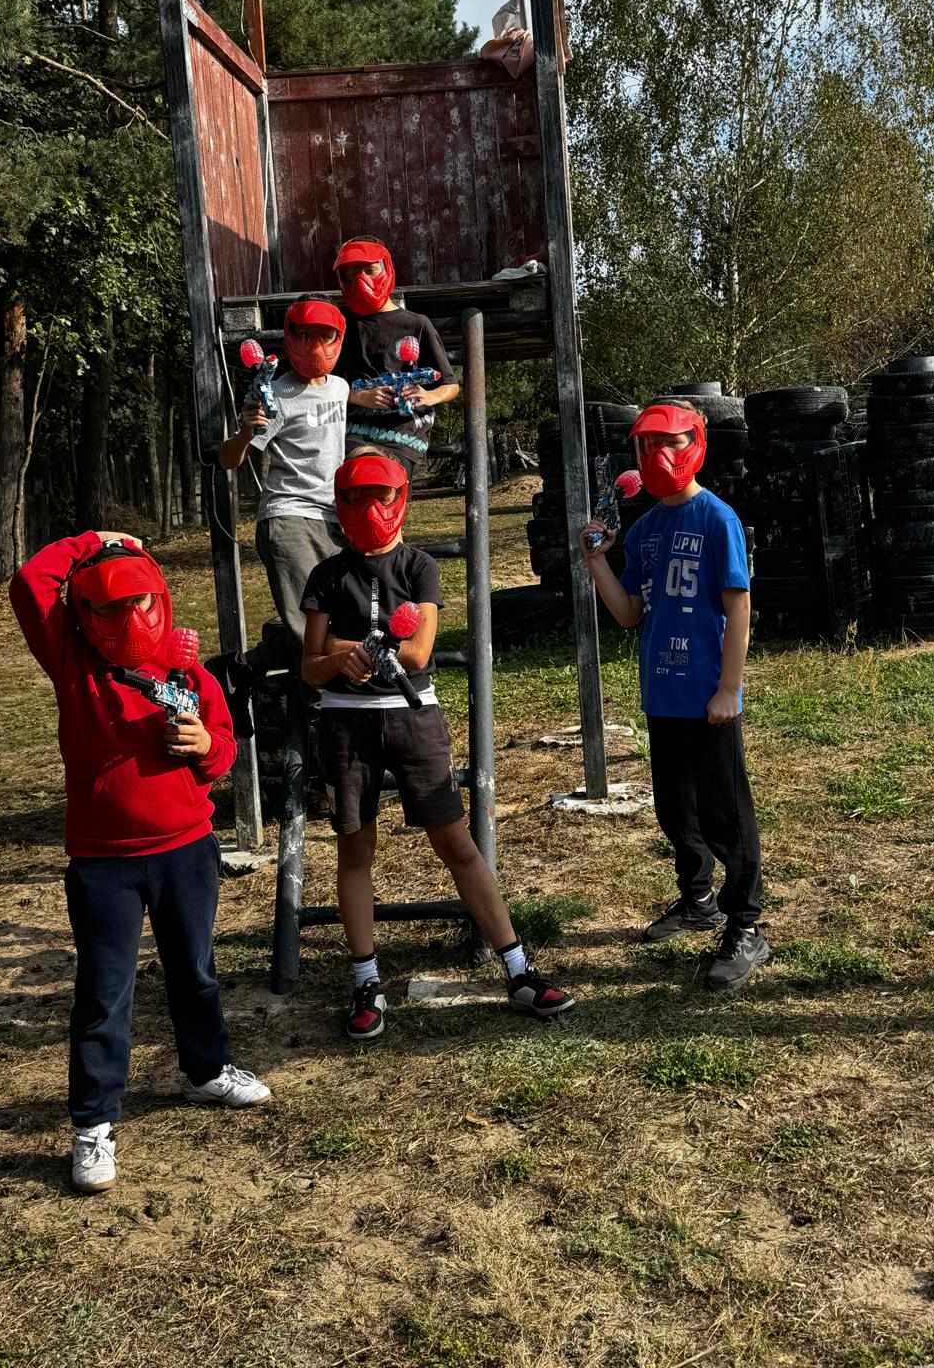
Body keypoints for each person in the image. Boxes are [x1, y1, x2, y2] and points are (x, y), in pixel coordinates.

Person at [9, 532, 270, 1195]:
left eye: (140, 603)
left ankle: (206, 1071)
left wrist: (205, 745)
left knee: (195, 971)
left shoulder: (189, 675)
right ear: (83, 614)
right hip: (104, 864)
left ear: (160, 599)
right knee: (104, 993)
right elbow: (30, 583)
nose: (128, 620)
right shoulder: (73, 663)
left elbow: (223, 753)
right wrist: (96, 541)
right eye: (108, 608)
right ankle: (93, 1121)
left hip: (187, 849)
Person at [300, 448, 574, 1039]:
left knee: (456, 843)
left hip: (412, 718)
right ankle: (366, 981)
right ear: (341, 504)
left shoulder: (419, 565)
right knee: (355, 850)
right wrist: (341, 659)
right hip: (345, 723)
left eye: (380, 496)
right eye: (357, 498)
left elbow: (419, 653)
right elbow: (310, 666)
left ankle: (517, 969)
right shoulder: (326, 574)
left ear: (399, 499)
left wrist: (353, 650)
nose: (370, 508)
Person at [581, 400, 768, 992]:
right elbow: (628, 613)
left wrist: (729, 688)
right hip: (662, 694)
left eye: (671, 442)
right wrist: (596, 560)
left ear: (695, 445)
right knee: (675, 810)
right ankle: (697, 899)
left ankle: (746, 924)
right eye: (648, 445)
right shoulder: (644, 531)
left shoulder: (717, 519)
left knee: (725, 814)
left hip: (708, 697)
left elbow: (739, 607)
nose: (659, 455)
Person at [213, 298, 351, 716]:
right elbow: (229, 459)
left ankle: (244, 667)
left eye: (323, 335)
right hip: (289, 516)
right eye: (304, 335)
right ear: (290, 338)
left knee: (336, 618)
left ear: (338, 338)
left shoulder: (341, 388)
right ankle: (323, 716)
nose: (314, 345)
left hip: (333, 517)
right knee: (307, 628)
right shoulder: (275, 395)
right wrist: (245, 431)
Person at [333, 238, 460, 477]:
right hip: (352, 435)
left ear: (386, 269)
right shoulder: (341, 327)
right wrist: (357, 396)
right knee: (357, 482)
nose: (361, 280)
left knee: (386, 486)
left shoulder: (417, 324)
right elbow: (323, 385)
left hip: (404, 437)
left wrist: (428, 395)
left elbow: (450, 386)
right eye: (351, 274)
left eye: (369, 270)